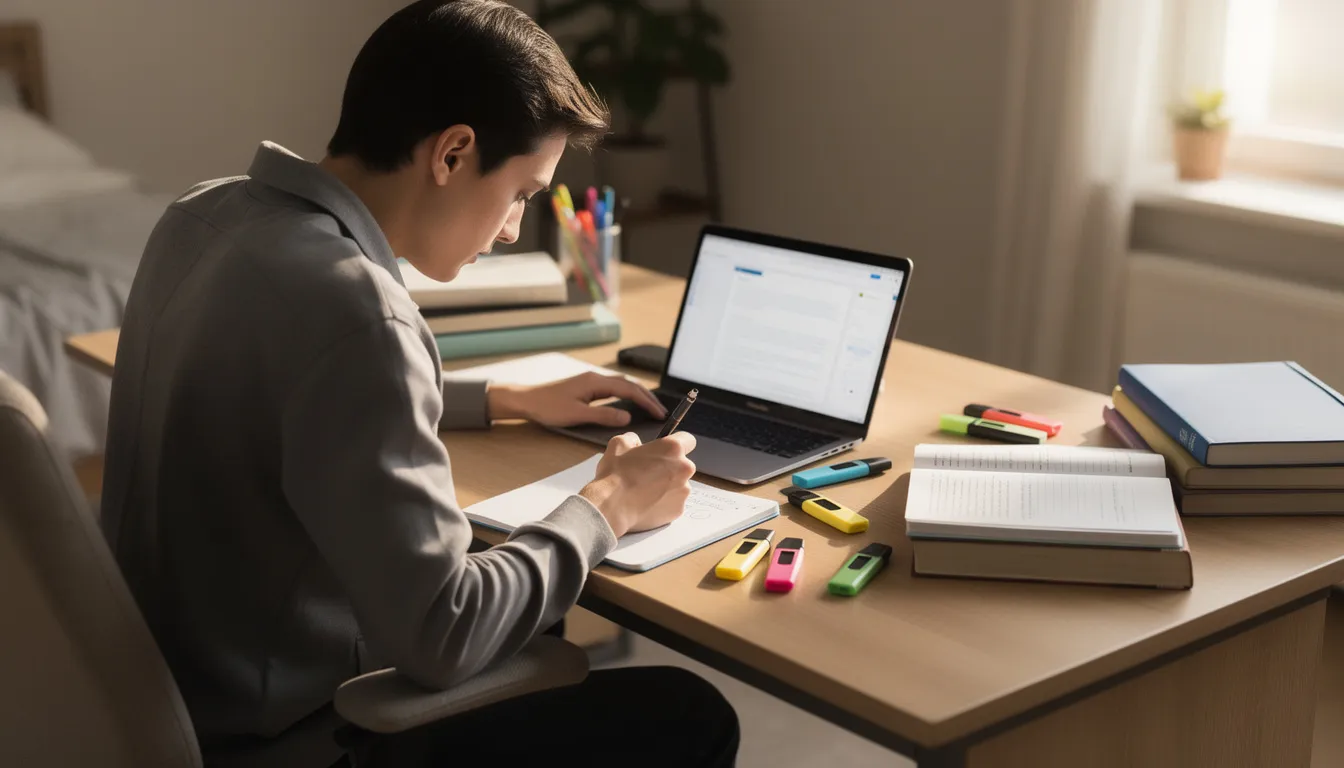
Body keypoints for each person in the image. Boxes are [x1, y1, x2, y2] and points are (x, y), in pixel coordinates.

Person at [99, 1, 740, 766]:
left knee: (535, 610)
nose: (511, 231)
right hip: (283, 735)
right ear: (452, 154)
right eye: (524, 195)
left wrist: (498, 398)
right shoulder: (360, 314)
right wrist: (611, 504)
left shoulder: (202, 215)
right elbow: (446, 633)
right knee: (687, 713)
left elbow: (282, 395)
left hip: (159, 694)